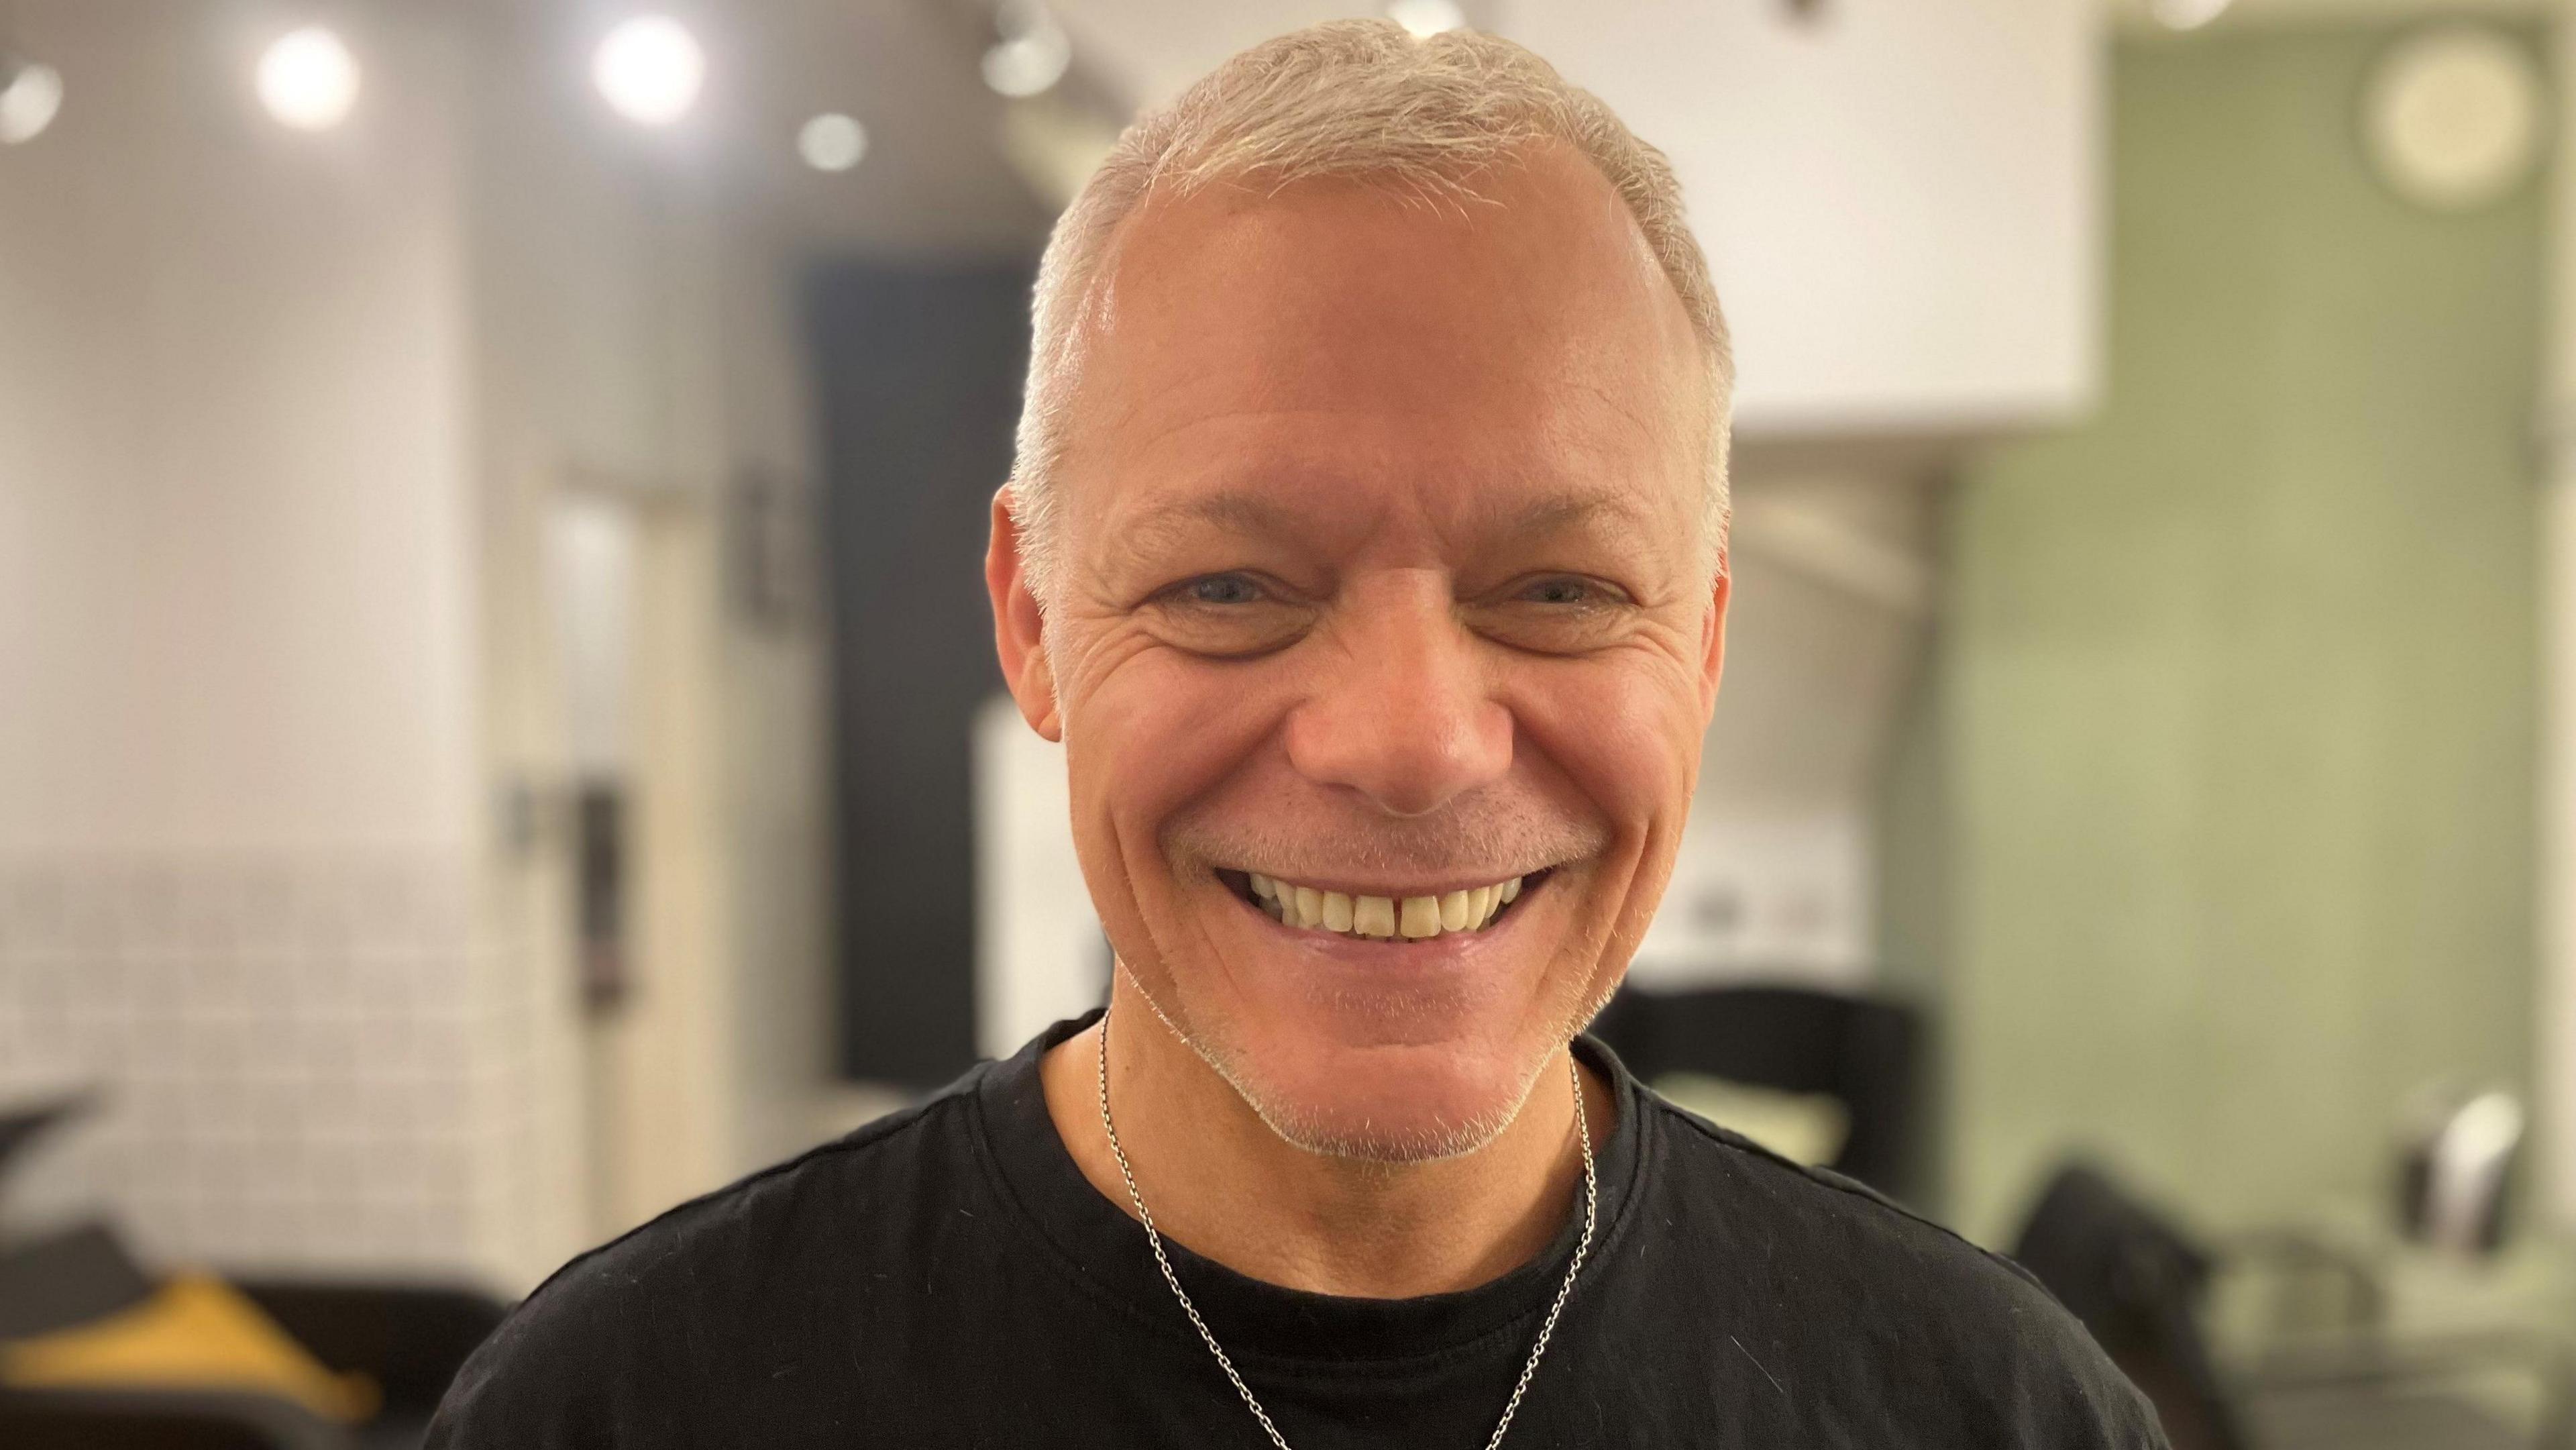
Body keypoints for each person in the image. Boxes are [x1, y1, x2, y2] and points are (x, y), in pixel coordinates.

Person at [429, 20, 2167, 1449]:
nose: (1412, 742)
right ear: (1032, 620)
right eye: (1229, 584)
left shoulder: (1996, 1413)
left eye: (1558, 589)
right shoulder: (628, 1409)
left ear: (1702, 644)